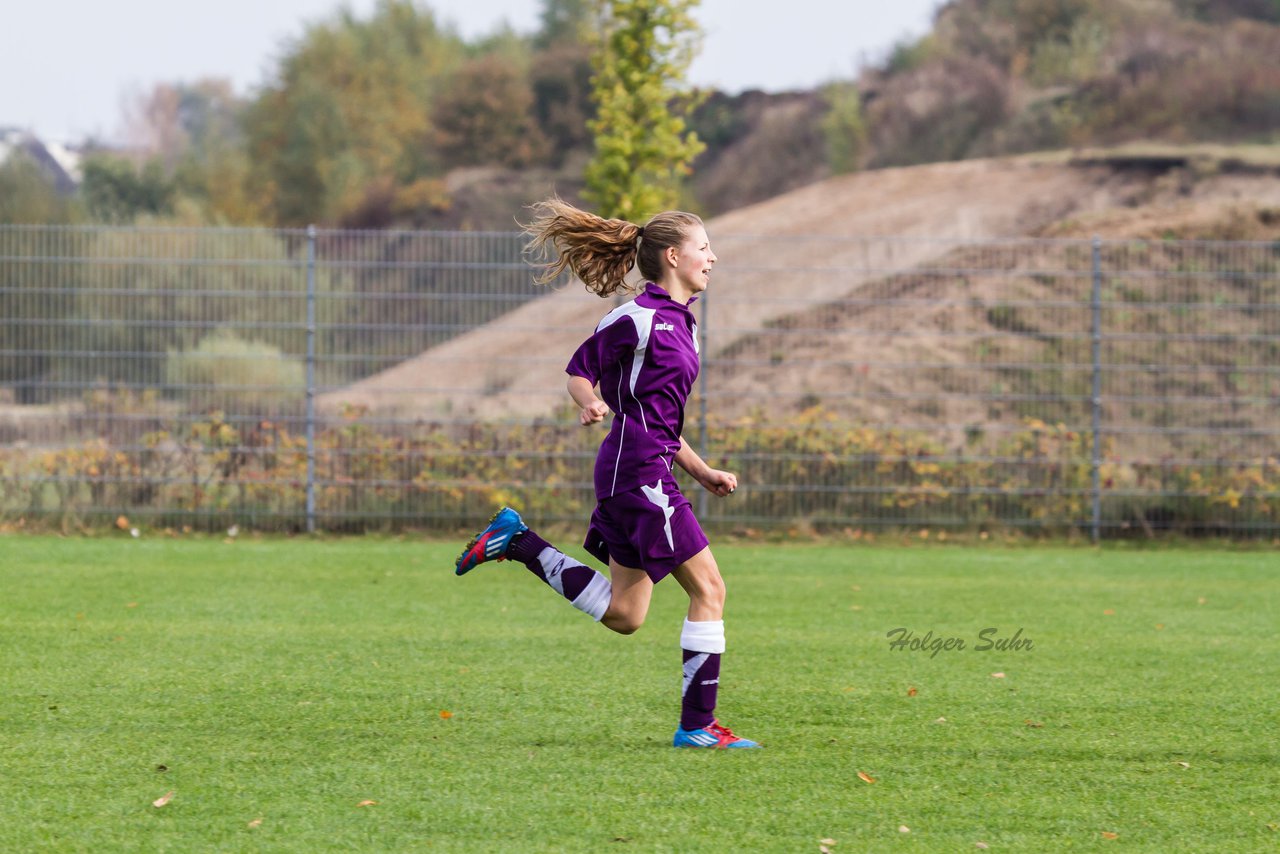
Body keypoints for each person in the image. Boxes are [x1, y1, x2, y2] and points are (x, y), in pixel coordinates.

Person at [454, 197, 759, 749]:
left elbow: (660, 420)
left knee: (625, 614)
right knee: (710, 589)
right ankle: (697, 726)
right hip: (638, 476)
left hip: (641, 470)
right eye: (704, 247)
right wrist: (589, 401)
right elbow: (578, 370)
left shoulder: (684, 326)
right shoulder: (636, 318)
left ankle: (518, 541)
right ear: (673, 256)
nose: (713, 257)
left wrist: (701, 469)